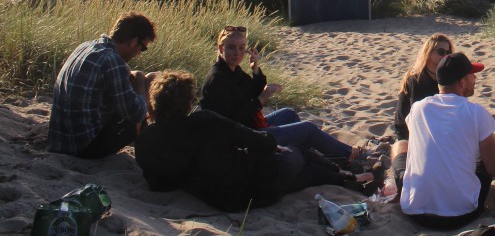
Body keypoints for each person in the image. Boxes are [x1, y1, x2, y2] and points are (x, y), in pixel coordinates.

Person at [136, 70, 356, 211]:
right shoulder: (202, 120)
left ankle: (347, 177)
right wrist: (272, 144)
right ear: (187, 102)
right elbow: (250, 137)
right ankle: (347, 172)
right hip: (257, 183)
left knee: (305, 174)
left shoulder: (145, 140)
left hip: (227, 200)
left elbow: (157, 184)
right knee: (298, 151)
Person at [200, 26, 367, 162]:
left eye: (241, 48)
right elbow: (236, 118)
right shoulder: (217, 79)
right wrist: (262, 99)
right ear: (220, 48)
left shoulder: (232, 70)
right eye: (231, 48)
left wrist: (255, 69)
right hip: (242, 137)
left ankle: (319, 157)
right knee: (308, 128)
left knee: (289, 114)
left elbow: (253, 90)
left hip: (249, 125)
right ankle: (349, 153)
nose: (237, 53)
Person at [400, 53, 495, 230]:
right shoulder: (476, 112)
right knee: (485, 163)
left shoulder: (418, 108)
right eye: (471, 75)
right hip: (460, 214)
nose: (475, 78)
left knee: (402, 147)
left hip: (415, 211)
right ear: (461, 82)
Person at [48, 12, 157, 158]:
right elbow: (135, 112)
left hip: (59, 140)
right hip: (84, 146)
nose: (139, 53)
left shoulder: (86, 46)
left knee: (138, 77)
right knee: (149, 80)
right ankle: (152, 149)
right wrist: (144, 92)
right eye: (142, 48)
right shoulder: (113, 61)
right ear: (133, 41)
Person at [391, 33, 454, 191]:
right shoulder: (417, 79)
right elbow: (414, 118)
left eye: (448, 52)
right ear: (429, 52)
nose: (445, 56)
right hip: (410, 131)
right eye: (441, 52)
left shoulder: (448, 79)